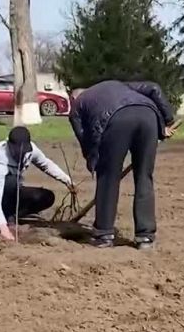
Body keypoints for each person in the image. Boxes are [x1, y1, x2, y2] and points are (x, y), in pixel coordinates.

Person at [69, 80, 177, 250]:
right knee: (144, 176)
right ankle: (145, 236)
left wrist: (94, 162)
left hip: (115, 120)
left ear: (72, 98)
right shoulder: (117, 84)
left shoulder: (77, 106)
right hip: (149, 116)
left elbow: (85, 139)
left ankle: (104, 234)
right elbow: (154, 88)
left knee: (108, 177)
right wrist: (167, 121)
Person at [0, 126, 74, 241]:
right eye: (17, 151)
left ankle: (12, 215)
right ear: (9, 146)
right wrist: (3, 229)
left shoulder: (30, 149)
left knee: (46, 197)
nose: (20, 154)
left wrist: (67, 181)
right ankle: (6, 220)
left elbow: (46, 164)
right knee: (10, 182)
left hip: (14, 191)